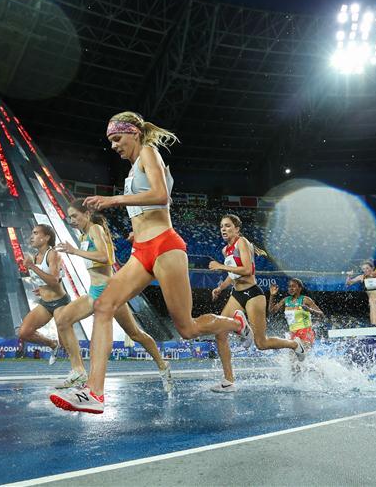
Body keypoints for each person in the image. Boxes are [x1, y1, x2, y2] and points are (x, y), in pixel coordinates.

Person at [50, 111, 251, 414]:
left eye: (117, 138)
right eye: (110, 141)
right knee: (103, 305)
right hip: (142, 250)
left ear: (133, 132)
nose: (113, 145)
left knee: (187, 328)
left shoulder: (148, 151)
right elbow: (147, 208)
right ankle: (94, 392)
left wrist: (114, 200)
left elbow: (161, 195)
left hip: (166, 247)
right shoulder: (132, 171)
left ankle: (236, 323)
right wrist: (136, 231)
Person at [53, 199, 173, 393]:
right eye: (69, 217)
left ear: (87, 214)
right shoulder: (84, 235)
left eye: (75, 216)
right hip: (94, 292)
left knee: (135, 334)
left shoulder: (95, 229)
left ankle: (162, 364)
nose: (72, 220)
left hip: (109, 293)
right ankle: (78, 371)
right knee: (63, 321)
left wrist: (74, 251)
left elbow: (106, 257)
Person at [207, 214, 304, 393]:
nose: (223, 229)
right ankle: (228, 381)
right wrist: (220, 288)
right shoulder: (225, 250)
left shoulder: (242, 242)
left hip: (253, 293)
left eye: (227, 226)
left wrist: (220, 266)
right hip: (237, 294)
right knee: (220, 333)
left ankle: (294, 344)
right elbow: (233, 275)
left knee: (261, 343)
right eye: (221, 226)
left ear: (237, 229)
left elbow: (247, 269)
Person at [18, 224, 80, 369]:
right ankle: (52, 344)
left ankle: (78, 371)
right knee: (24, 332)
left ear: (46, 237)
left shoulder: (53, 254)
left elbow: (54, 280)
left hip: (60, 303)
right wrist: (41, 289)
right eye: (32, 233)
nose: (31, 237)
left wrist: (32, 266)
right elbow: (46, 280)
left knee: (66, 345)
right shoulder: (35, 256)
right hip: (45, 304)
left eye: (35, 233)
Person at [268, 279, 325, 353]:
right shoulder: (285, 300)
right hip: (293, 333)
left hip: (306, 332)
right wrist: (272, 295)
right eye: (289, 286)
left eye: (293, 286)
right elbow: (272, 311)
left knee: (303, 354)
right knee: (292, 358)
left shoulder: (306, 300)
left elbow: (321, 314)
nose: (291, 288)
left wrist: (309, 310)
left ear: (300, 288)